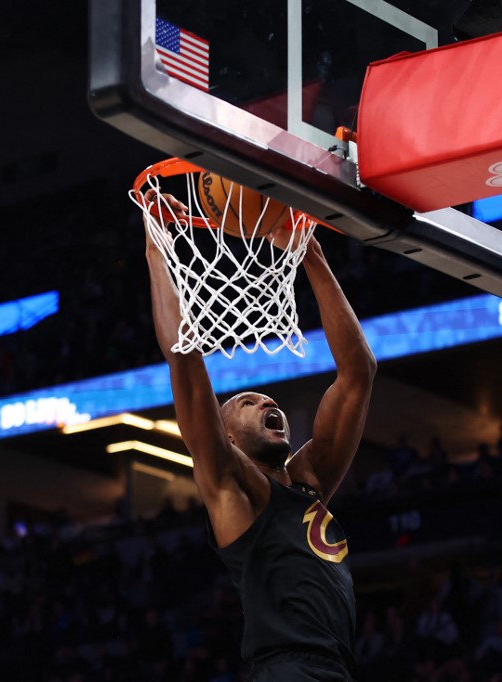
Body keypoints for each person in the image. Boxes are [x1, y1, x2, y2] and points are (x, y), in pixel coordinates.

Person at [144, 190, 376, 681]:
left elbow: (358, 371)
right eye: (246, 403)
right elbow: (184, 357)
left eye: (268, 400)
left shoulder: (309, 482)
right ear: (224, 436)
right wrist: (155, 248)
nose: (266, 402)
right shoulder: (233, 485)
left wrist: (307, 249)